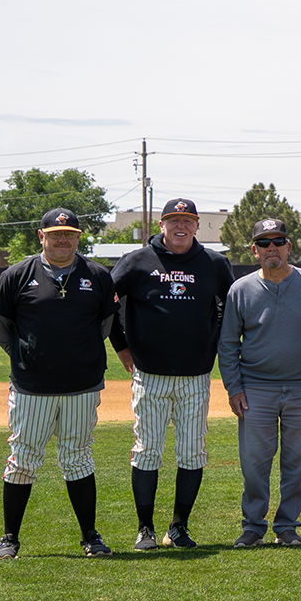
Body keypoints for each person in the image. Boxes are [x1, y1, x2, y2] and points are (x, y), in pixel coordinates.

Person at [0, 207, 121, 560]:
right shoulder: (18, 275)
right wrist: (27, 357)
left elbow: (105, 326)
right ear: (41, 236)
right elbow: (2, 329)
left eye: (70, 233)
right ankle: (9, 538)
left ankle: (91, 537)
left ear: (79, 237)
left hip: (82, 385)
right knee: (23, 458)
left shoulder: (97, 275)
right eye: (56, 233)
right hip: (32, 386)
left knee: (78, 457)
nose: (63, 239)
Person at [108, 196, 234, 551]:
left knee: (193, 453)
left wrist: (214, 342)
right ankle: (145, 528)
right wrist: (121, 345)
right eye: (173, 220)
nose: (181, 226)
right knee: (147, 451)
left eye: (188, 220)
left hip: (195, 375)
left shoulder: (214, 263)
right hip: (150, 374)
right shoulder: (137, 261)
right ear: (161, 225)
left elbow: (231, 308)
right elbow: (106, 304)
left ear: (197, 225)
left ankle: (178, 526)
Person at [219, 218, 301, 547]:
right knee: (254, 463)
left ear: (288, 247)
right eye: (265, 243)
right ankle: (253, 526)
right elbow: (228, 343)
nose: (272, 248)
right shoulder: (240, 290)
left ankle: (287, 525)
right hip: (256, 389)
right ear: (255, 250)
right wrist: (234, 388)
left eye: (278, 241)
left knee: (298, 463)